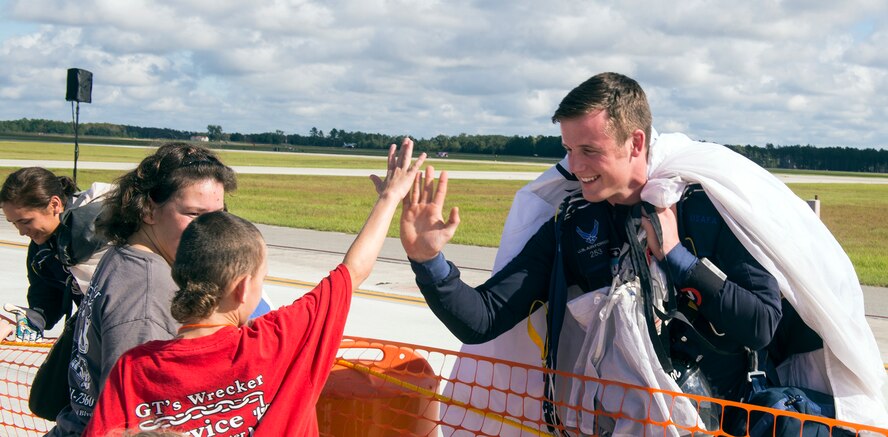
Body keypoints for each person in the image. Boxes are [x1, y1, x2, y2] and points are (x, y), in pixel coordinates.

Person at [400, 72, 887, 432]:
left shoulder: (702, 209)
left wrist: (678, 259)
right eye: (569, 150)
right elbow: (482, 320)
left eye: (589, 150)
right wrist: (429, 263)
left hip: (723, 419)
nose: (575, 166)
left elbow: (762, 322)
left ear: (635, 142)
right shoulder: (574, 224)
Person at [82, 139, 424, 436]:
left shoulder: (133, 368)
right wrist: (390, 198)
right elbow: (354, 271)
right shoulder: (280, 341)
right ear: (244, 288)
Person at [48, 143, 238, 436]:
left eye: (217, 216)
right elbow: (135, 422)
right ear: (149, 208)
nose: (210, 230)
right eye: (194, 215)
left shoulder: (123, 257)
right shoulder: (146, 293)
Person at [0, 167, 109, 340]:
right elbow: (47, 294)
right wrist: (34, 319)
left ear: (55, 205)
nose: (21, 232)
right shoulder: (42, 250)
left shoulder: (111, 231)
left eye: (26, 221)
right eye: (14, 224)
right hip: (95, 334)